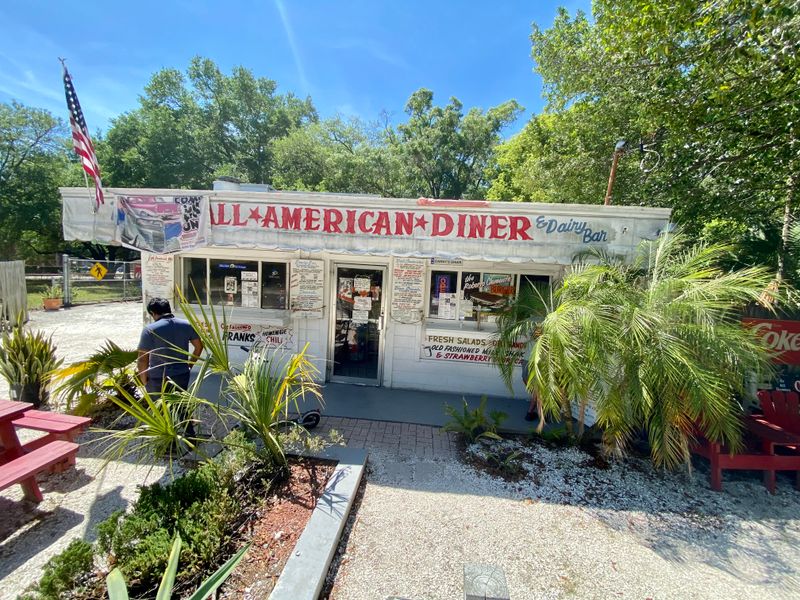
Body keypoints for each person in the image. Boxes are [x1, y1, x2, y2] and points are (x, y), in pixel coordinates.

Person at [137, 297, 204, 433]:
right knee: (181, 407)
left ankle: (170, 446)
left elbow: (142, 359)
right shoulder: (186, 325)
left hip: (158, 378)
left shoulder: (149, 329)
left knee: (162, 412)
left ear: (153, 313)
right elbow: (199, 347)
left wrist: (143, 379)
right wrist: (189, 365)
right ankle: (191, 438)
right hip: (181, 374)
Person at [521, 355, 539, 422]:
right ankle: (530, 413)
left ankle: (535, 398)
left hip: (527, 360)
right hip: (537, 361)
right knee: (536, 393)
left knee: (525, 379)